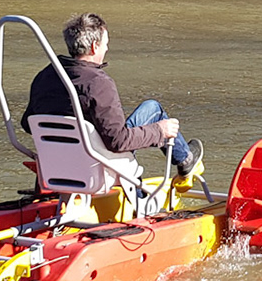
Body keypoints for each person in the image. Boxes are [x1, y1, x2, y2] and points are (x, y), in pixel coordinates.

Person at [22, 12, 202, 180]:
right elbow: (118, 142)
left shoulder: (45, 75)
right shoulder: (98, 83)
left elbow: (27, 123)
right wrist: (159, 131)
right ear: (94, 47)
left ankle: (184, 158)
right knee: (153, 109)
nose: (107, 48)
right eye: (105, 43)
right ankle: (185, 160)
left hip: (58, 166)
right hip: (97, 166)